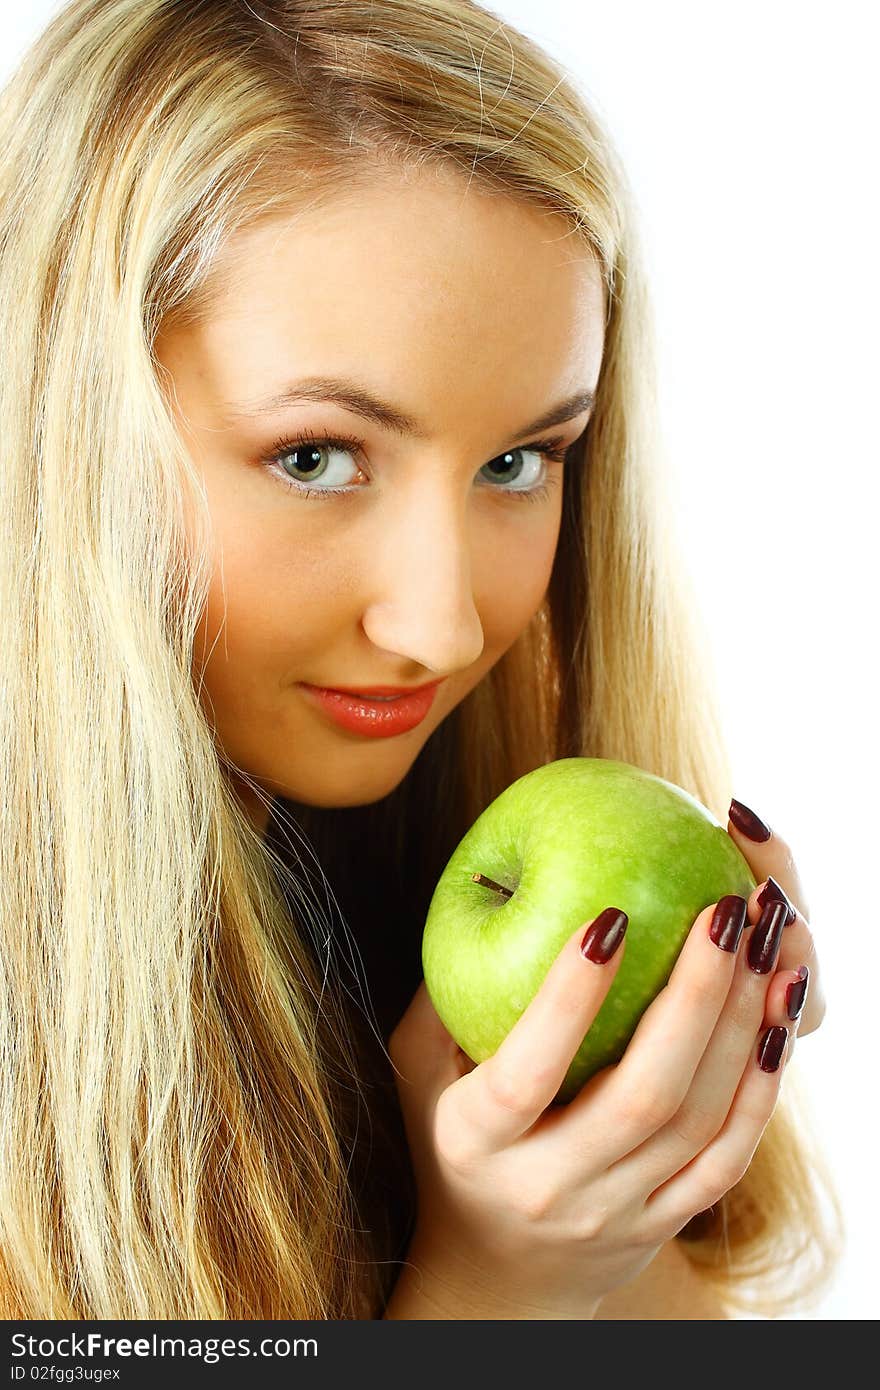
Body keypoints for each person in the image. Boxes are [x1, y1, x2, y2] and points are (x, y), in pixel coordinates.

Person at [0, 0, 842, 1320]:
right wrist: (491, 1292)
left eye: (520, 462)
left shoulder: (421, 846)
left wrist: (631, 1155)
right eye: (317, 458)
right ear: (64, 427)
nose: (445, 629)